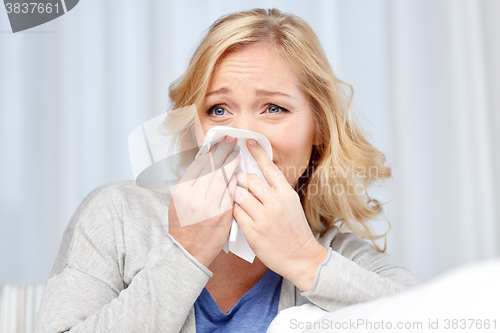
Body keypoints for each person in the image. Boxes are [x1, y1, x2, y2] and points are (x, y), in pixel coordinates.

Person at [35, 8, 419, 333]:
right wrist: (185, 254)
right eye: (218, 109)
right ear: (193, 127)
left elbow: (430, 318)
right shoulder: (117, 216)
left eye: (274, 108)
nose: (243, 135)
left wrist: (305, 260)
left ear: (318, 128)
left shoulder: (338, 254)